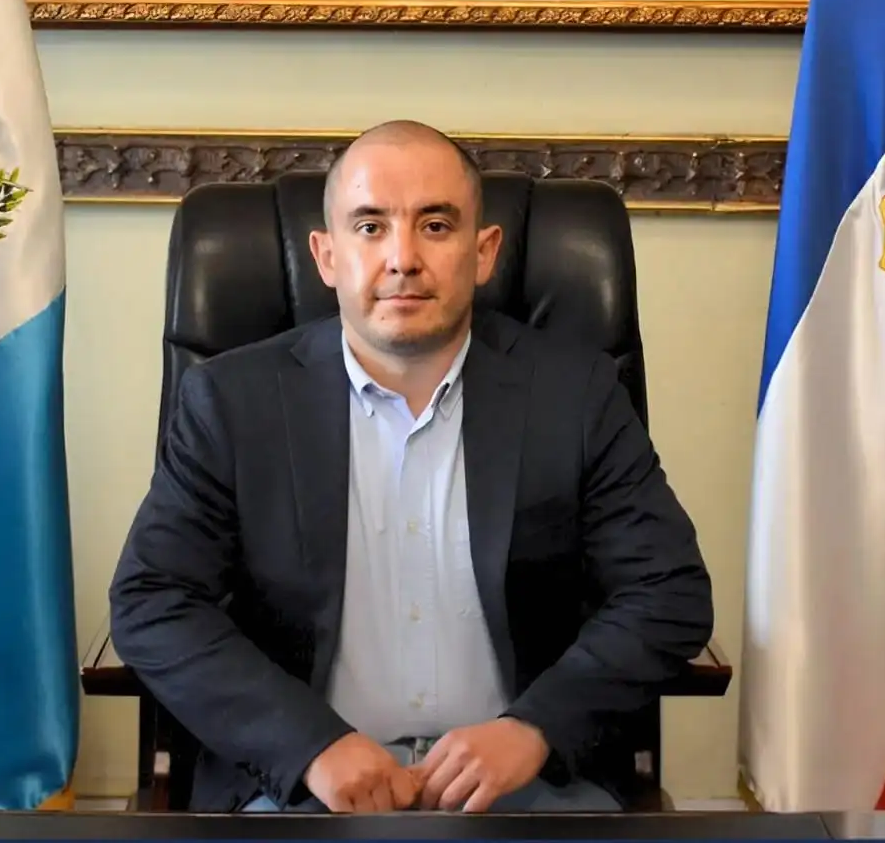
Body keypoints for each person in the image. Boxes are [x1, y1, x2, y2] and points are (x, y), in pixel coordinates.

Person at [108, 120, 713, 813]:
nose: (402, 258)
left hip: (529, 787)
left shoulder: (575, 395)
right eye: (370, 227)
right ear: (327, 255)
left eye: (435, 225)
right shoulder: (231, 403)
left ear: (484, 252)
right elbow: (153, 601)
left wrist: (536, 728)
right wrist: (310, 746)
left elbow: (668, 592)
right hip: (307, 791)